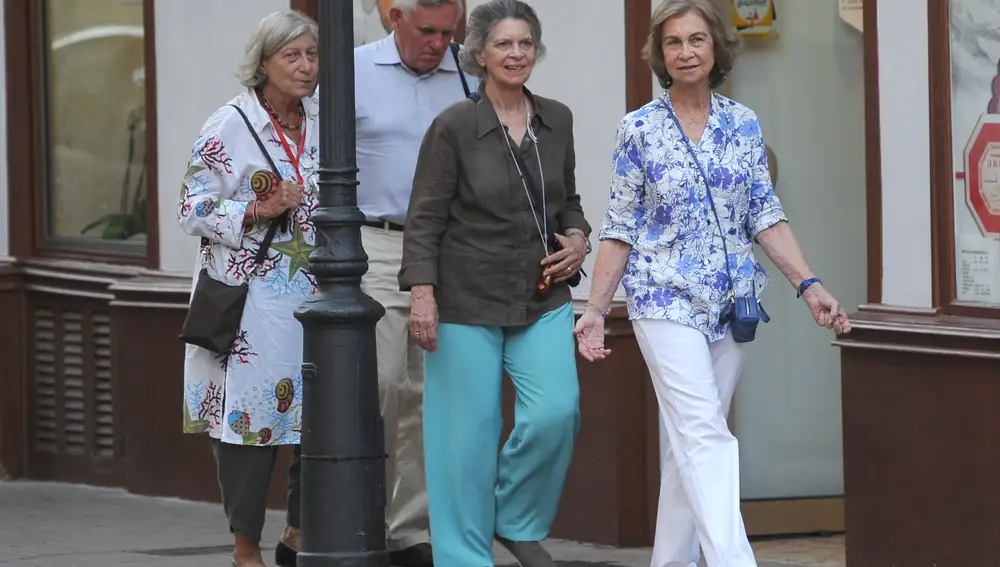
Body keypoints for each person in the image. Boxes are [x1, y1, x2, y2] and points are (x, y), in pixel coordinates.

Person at [573, 1, 853, 566]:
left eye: (696, 40)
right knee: (705, 433)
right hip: (661, 296)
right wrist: (597, 307)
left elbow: (764, 214)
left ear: (716, 48)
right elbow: (619, 224)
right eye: (673, 43)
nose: (685, 52)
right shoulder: (639, 129)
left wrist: (810, 284)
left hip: (732, 304)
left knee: (689, 446)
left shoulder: (742, 123)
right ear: (660, 55)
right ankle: (735, 560)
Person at [399, 1, 590, 566]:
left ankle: (516, 518)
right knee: (465, 442)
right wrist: (422, 295)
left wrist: (578, 238)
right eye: (503, 45)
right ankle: (464, 558)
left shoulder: (558, 119)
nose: (516, 54)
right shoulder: (455, 125)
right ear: (479, 54)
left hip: (542, 297)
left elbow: (569, 202)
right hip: (464, 300)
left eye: (525, 43)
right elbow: (426, 215)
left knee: (557, 412)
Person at [176, 10, 318, 567]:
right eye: (293, 56)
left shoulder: (322, 121)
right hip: (250, 303)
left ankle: (300, 534)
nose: (306, 67)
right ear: (263, 63)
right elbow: (192, 209)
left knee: (320, 418)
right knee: (250, 423)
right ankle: (245, 547)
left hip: (316, 294)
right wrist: (260, 208)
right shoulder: (228, 125)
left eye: (312, 55)